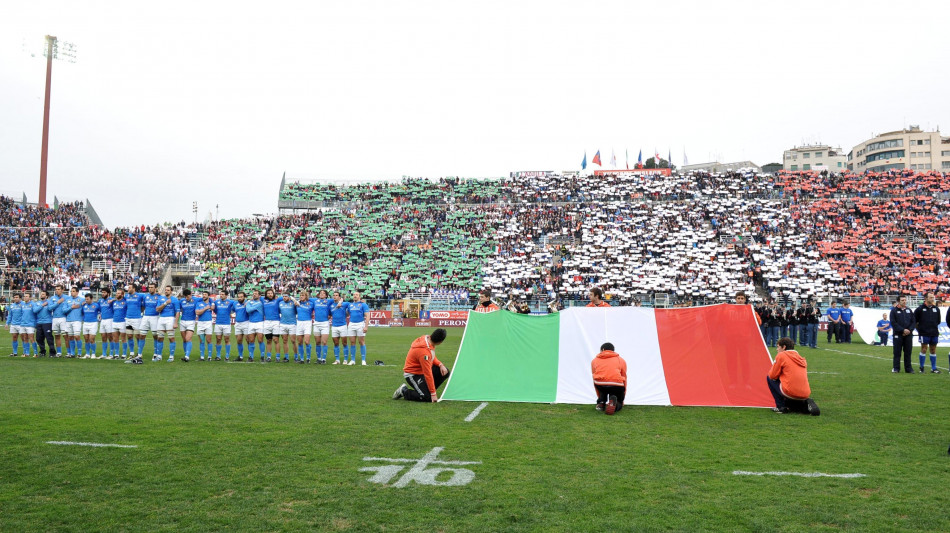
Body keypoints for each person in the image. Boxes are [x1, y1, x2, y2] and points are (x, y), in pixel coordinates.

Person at [392, 328, 451, 402]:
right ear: (440, 342)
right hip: (413, 374)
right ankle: (404, 391)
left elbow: (431, 356)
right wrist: (433, 393)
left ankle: (427, 390)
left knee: (445, 372)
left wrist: (440, 364)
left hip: (421, 371)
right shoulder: (424, 353)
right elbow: (428, 373)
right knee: (427, 398)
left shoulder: (427, 339)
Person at [767, 337, 820, 415]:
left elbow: (772, 375)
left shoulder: (781, 355)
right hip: (805, 393)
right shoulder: (800, 357)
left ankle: (781, 407)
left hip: (790, 392)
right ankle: (804, 405)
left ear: (784, 347)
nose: (777, 349)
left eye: (778, 347)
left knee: (769, 378)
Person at [591, 342, 626, 415]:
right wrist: (622, 398)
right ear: (613, 350)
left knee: (601, 383)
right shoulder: (621, 360)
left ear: (603, 349)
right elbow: (624, 377)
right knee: (616, 394)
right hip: (616, 384)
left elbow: (594, 376)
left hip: (600, 384)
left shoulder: (594, 360)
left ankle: (601, 403)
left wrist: (599, 397)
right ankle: (615, 404)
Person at [913, 293, 941, 373]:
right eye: (931, 297)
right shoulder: (919, 309)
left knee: (933, 350)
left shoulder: (936, 309)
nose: (933, 299)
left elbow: (938, 321)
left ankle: (933, 368)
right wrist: (920, 330)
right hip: (924, 333)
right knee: (924, 349)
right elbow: (915, 321)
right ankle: (921, 368)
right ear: (926, 298)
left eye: (933, 297)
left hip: (934, 333)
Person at [890, 296, 917, 374]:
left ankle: (908, 369)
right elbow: (893, 322)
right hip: (898, 335)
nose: (904, 301)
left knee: (908, 352)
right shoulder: (894, 311)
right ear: (898, 301)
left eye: (905, 300)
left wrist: (909, 330)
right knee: (897, 352)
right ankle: (896, 368)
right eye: (902, 300)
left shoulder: (909, 310)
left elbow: (913, 322)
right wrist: (902, 330)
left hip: (908, 334)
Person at [156, 285, 180, 362]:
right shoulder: (161, 299)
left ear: (171, 291)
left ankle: (171, 356)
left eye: (168, 290)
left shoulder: (175, 300)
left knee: (171, 338)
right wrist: (165, 303)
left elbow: (177, 312)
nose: (166, 291)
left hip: (170, 319)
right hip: (161, 318)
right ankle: (159, 356)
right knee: (160, 337)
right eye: (165, 290)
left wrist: (176, 322)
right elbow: (157, 309)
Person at [291, 290, 314, 363]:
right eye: (300, 295)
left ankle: (308, 358)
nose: (301, 297)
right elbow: (294, 312)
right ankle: (301, 359)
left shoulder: (310, 303)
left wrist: (299, 305)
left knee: (306, 341)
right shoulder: (297, 303)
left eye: (303, 295)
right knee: (300, 342)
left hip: (307, 322)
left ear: (306, 296)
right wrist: (295, 304)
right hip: (299, 322)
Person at [348, 291, 370, 365]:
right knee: (352, 342)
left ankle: (363, 360)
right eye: (354, 295)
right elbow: (346, 313)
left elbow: (367, 316)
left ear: (359, 296)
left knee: (361, 342)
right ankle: (352, 360)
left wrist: (366, 326)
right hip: (351, 324)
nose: (355, 296)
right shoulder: (350, 305)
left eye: (356, 295)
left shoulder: (363, 305)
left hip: (360, 324)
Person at [140, 283, 162, 360]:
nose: (150, 289)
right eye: (149, 287)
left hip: (155, 317)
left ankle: (155, 353)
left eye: (152, 287)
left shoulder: (159, 297)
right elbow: (143, 306)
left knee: (155, 336)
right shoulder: (145, 296)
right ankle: (139, 354)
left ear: (155, 288)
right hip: (145, 317)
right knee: (142, 335)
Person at [213, 289, 235, 361]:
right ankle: (218, 355)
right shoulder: (216, 302)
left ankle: (227, 355)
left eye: (222, 294)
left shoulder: (231, 302)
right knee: (218, 339)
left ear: (226, 295)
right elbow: (215, 310)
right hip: (218, 323)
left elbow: (235, 307)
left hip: (226, 323)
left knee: (226, 339)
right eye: (220, 294)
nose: (221, 295)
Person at [330, 291, 350, 364]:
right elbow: (329, 314)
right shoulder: (331, 305)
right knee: (335, 343)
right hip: (334, 326)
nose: (335, 296)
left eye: (336, 295)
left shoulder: (344, 304)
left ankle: (345, 359)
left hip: (342, 325)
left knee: (344, 343)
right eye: (334, 295)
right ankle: (337, 360)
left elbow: (350, 306)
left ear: (339, 297)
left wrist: (341, 302)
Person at [312, 289, 332, 364]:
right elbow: (305, 298)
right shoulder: (315, 301)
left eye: (323, 293)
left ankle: (324, 359)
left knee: (324, 342)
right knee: (317, 342)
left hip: (324, 324)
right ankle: (319, 358)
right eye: (320, 293)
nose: (322, 294)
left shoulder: (329, 301)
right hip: (316, 323)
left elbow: (339, 300)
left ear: (326, 295)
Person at [124, 285, 144, 357]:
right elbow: (118, 298)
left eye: (129, 288)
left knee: (138, 336)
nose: (128, 289)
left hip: (137, 319)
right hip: (128, 318)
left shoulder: (140, 295)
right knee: (129, 336)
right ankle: (131, 352)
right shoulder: (126, 296)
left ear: (134, 289)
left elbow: (148, 297)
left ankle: (139, 353)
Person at [177, 289, 197, 362]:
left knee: (188, 338)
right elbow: (177, 309)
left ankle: (187, 356)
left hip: (191, 321)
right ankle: (185, 355)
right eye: (185, 297)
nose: (186, 298)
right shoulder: (182, 301)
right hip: (182, 321)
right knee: (184, 339)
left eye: (187, 297)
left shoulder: (196, 300)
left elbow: (207, 298)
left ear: (191, 295)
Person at [261, 288, 281, 362]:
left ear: (274, 294)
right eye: (268, 293)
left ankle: (277, 357)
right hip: (267, 322)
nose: (270, 294)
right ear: (266, 294)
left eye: (271, 293)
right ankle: (269, 357)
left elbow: (285, 296)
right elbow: (256, 296)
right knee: (268, 340)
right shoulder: (263, 300)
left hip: (276, 322)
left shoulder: (277, 300)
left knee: (276, 340)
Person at [245, 289, 264, 362]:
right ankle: (251, 356)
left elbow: (250, 308)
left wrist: (252, 306)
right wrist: (255, 307)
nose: (254, 294)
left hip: (260, 322)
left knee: (260, 339)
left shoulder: (260, 302)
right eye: (253, 293)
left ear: (259, 295)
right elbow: (248, 310)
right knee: (251, 340)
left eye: (256, 293)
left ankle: (262, 356)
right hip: (251, 322)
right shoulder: (250, 302)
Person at [277, 293, 297, 363]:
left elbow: (297, 308)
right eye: (283, 296)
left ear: (289, 297)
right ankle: (286, 357)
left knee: (293, 341)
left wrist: (294, 300)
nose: (284, 298)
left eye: (286, 296)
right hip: (283, 324)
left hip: (292, 324)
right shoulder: (280, 303)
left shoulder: (293, 303)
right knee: (285, 341)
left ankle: (296, 357)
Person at [34, 291, 55, 357]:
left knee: (49, 338)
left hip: (47, 322)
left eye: (43, 294)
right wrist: (42, 305)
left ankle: (52, 352)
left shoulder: (50, 302)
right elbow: (35, 310)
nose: (41, 295)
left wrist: (47, 304)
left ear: (47, 296)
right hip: (39, 322)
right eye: (41, 294)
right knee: (39, 338)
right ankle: (42, 352)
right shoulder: (37, 303)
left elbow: (50, 309)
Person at [195, 290, 214, 361]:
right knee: (201, 340)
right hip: (200, 323)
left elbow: (213, 308)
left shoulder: (211, 303)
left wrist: (211, 304)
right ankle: (202, 357)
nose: (204, 296)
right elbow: (197, 312)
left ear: (208, 296)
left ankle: (209, 357)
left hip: (208, 323)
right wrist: (205, 308)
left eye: (205, 294)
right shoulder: (199, 303)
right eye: (203, 294)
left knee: (209, 340)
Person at [64, 287, 83, 358]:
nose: (72, 292)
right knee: (70, 337)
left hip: (77, 320)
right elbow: (64, 310)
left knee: (77, 336)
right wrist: (71, 307)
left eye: (73, 291)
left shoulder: (82, 300)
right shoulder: (67, 300)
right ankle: (72, 353)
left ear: (77, 292)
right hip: (68, 320)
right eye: (71, 291)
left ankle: (79, 353)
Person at [80, 293, 100, 359]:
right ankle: (87, 354)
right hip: (85, 323)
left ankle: (93, 354)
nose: (86, 300)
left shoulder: (96, 305)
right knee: (86, 339)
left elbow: (100, 311)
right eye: (85, 299)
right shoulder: (84, 306)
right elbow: (82, 313)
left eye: (87, 299)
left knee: (91, 339)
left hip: (93, 323)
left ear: (91, 299)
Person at [50, 285, 68, 357]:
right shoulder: (52, 298)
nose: (57, 290)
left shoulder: (67, 298)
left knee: (65, 336)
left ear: (62, 290)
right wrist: (58, 302)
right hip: (55, 318)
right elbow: (49, 308)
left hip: (63, 318)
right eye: (56, 289)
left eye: (59, 289)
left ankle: (69, 352)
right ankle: (59, 352)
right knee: (57, 336)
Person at [232, 291, 250, 362]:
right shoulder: (235, 303)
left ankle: (250, 356)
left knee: (248, 340)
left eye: (241, 297)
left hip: (246, 322)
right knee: (239, 340)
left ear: (244, 297)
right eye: (238, 297)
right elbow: (233, 310)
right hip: (238, 323)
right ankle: (240, 356)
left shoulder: (248, 303)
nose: (239, 298)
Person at [111, 288, 128, 359]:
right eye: (116, 293)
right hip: (114, 321)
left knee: (123, 338)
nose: (116, 294)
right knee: (115, 338)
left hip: (122, 322)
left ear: (122, 294)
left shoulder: (125, 302)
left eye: (118, 293)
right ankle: (117, 354)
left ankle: (124, 354)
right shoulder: (114, 302)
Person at [97, 288, 114, 358]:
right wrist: (99, 314)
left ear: (108, 293)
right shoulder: (100, 301)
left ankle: (111, 354)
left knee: (110, 337)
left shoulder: (111, 300)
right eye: (102, 292)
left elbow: (120, 299)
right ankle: (104, 354)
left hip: (110, 319)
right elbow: (98, 309)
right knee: (103, 337)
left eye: (104, 292)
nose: (102, 294)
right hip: (102, 320)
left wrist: (113, 300)